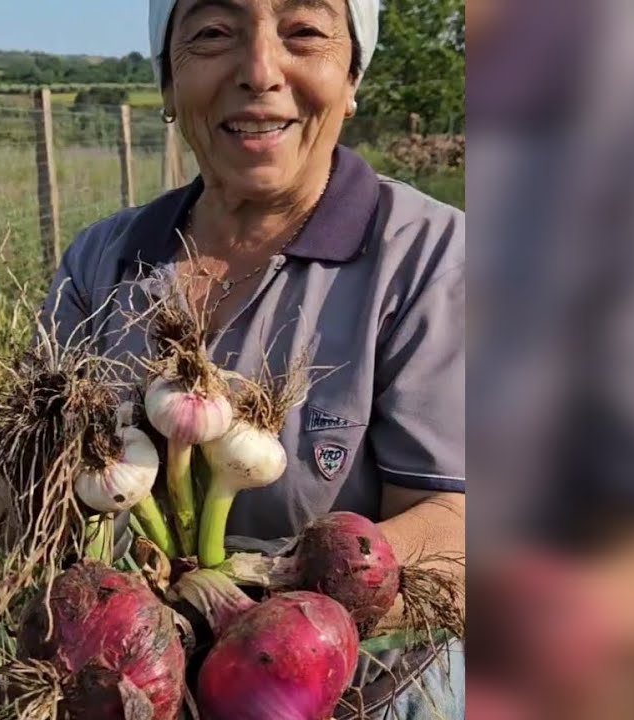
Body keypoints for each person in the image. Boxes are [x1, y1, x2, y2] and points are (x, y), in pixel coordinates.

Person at [41, 1, 464, 716]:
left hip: (374, 696)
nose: (261, 71)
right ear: (168, 83)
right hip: (133, 691)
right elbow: (32, 498)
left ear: (352, 77)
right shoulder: (100, 261)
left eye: (305, 32)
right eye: (213, 33)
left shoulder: (436, 259)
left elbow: (459, 525)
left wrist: (241, 599)